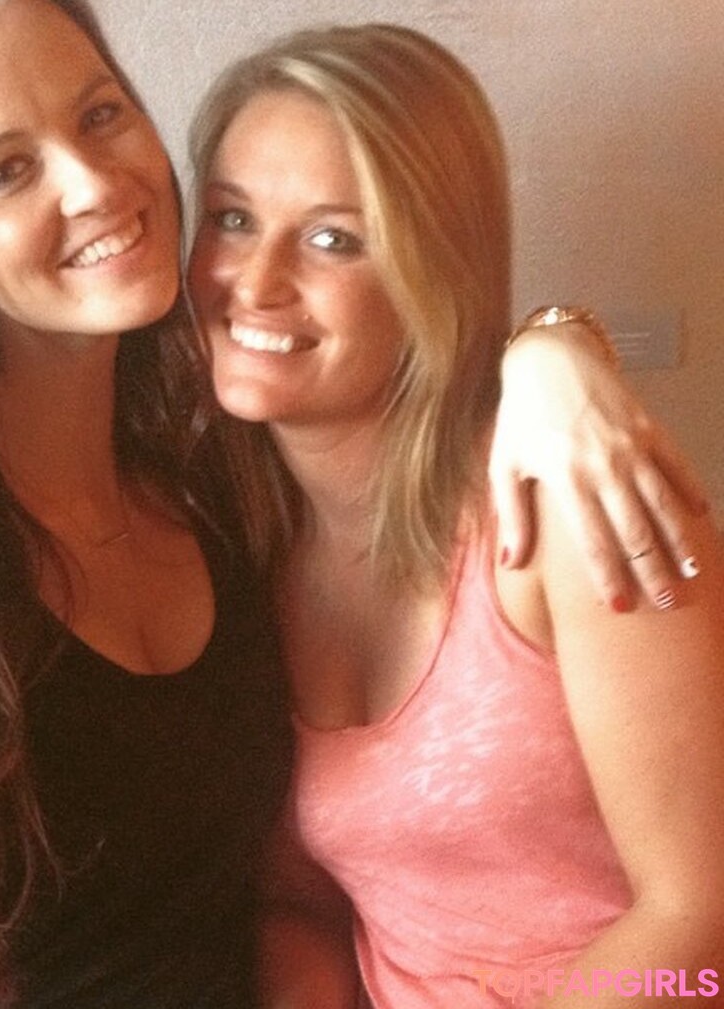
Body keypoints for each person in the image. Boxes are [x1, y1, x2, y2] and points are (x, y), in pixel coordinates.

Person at [0, 2, 707, 1007]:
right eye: (8, 170)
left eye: (100, 115)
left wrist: (551, 344)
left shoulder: (225, 501)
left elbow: (696, 930)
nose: (95, 184)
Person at [187, 22, 724, 1009]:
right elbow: (300, 904)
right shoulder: (231, 542)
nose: (254, 282)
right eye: (231, 218)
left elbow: (699, 926)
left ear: (432, 268)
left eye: (333, 238)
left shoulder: (571, 502)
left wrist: (551, 343)